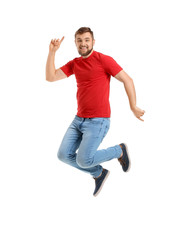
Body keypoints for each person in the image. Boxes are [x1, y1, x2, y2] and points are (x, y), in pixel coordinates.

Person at [46, 27, 145, 197]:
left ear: (93, 42)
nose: (83, 43)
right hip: (79, 120)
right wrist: (52, 52)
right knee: (63, 155)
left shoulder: (103, 60)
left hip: (98, 121)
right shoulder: (75, 63)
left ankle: (118, 150)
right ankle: (98, 173)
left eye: (86, 40)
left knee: (83, 160)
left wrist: (133, 106)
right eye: (79, 40)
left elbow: (127, 80)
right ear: (75, 43)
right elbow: (51, 77)